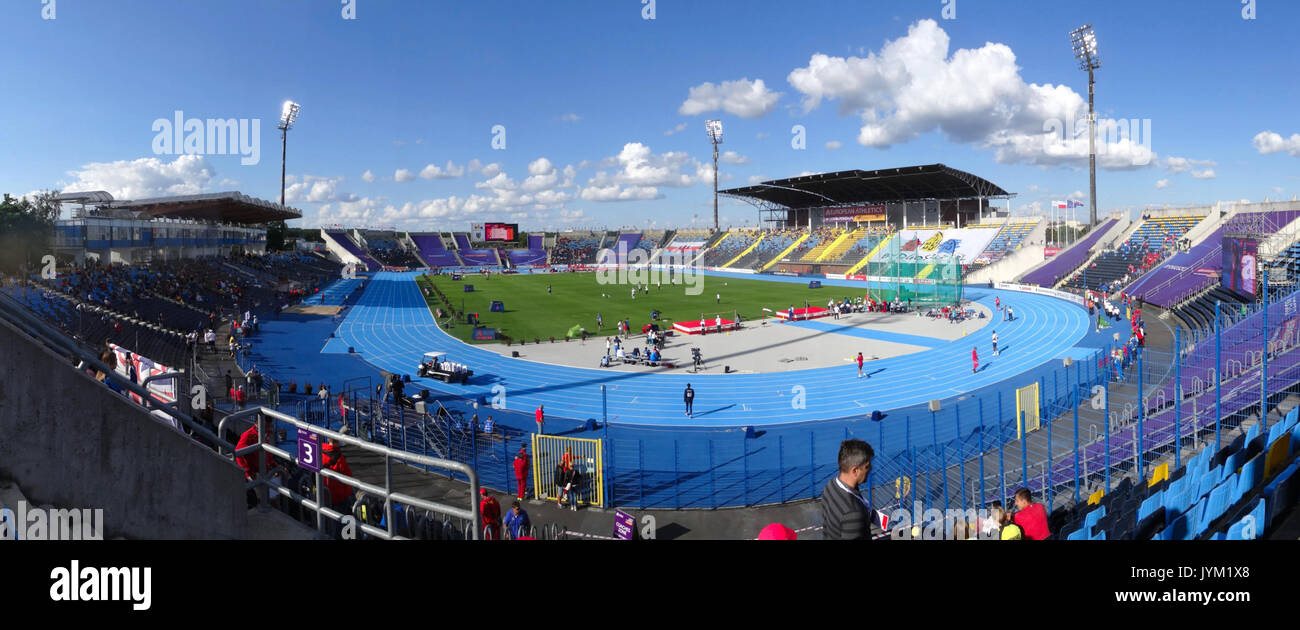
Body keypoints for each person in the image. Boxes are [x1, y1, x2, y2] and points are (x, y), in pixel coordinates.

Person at [820, 439, 876, 540]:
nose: (870, 469)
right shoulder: (853, 513)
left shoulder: (830, 486)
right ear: (855, 470)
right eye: (867, 466)